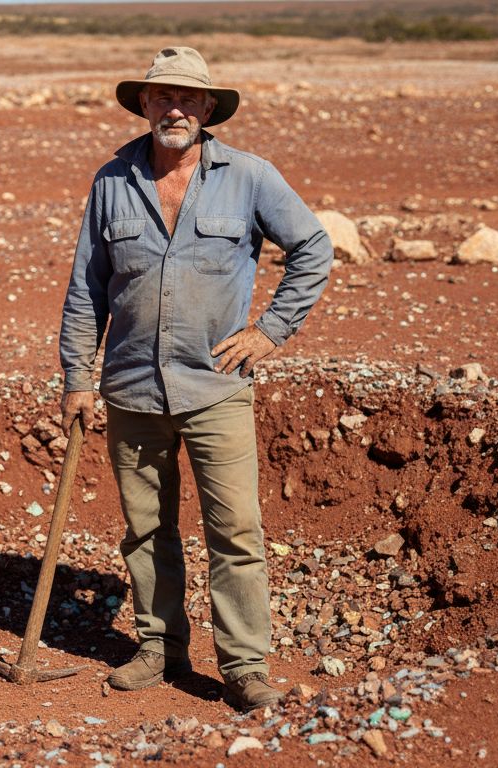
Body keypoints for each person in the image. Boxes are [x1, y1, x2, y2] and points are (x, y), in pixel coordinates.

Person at [58, 46, 333, 712]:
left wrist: (270, 332)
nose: (173, 108)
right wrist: (76, 375)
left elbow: (313, 248)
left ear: (208, 108)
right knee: (146, 529)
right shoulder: (112, 181)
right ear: (144, 104)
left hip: (216, 386)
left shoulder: (249, 176)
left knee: (235, 529)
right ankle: (158, 646)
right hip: (131, 388)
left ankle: (243, 665)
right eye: (160, 97)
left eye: (187, 98)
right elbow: (86, 289)